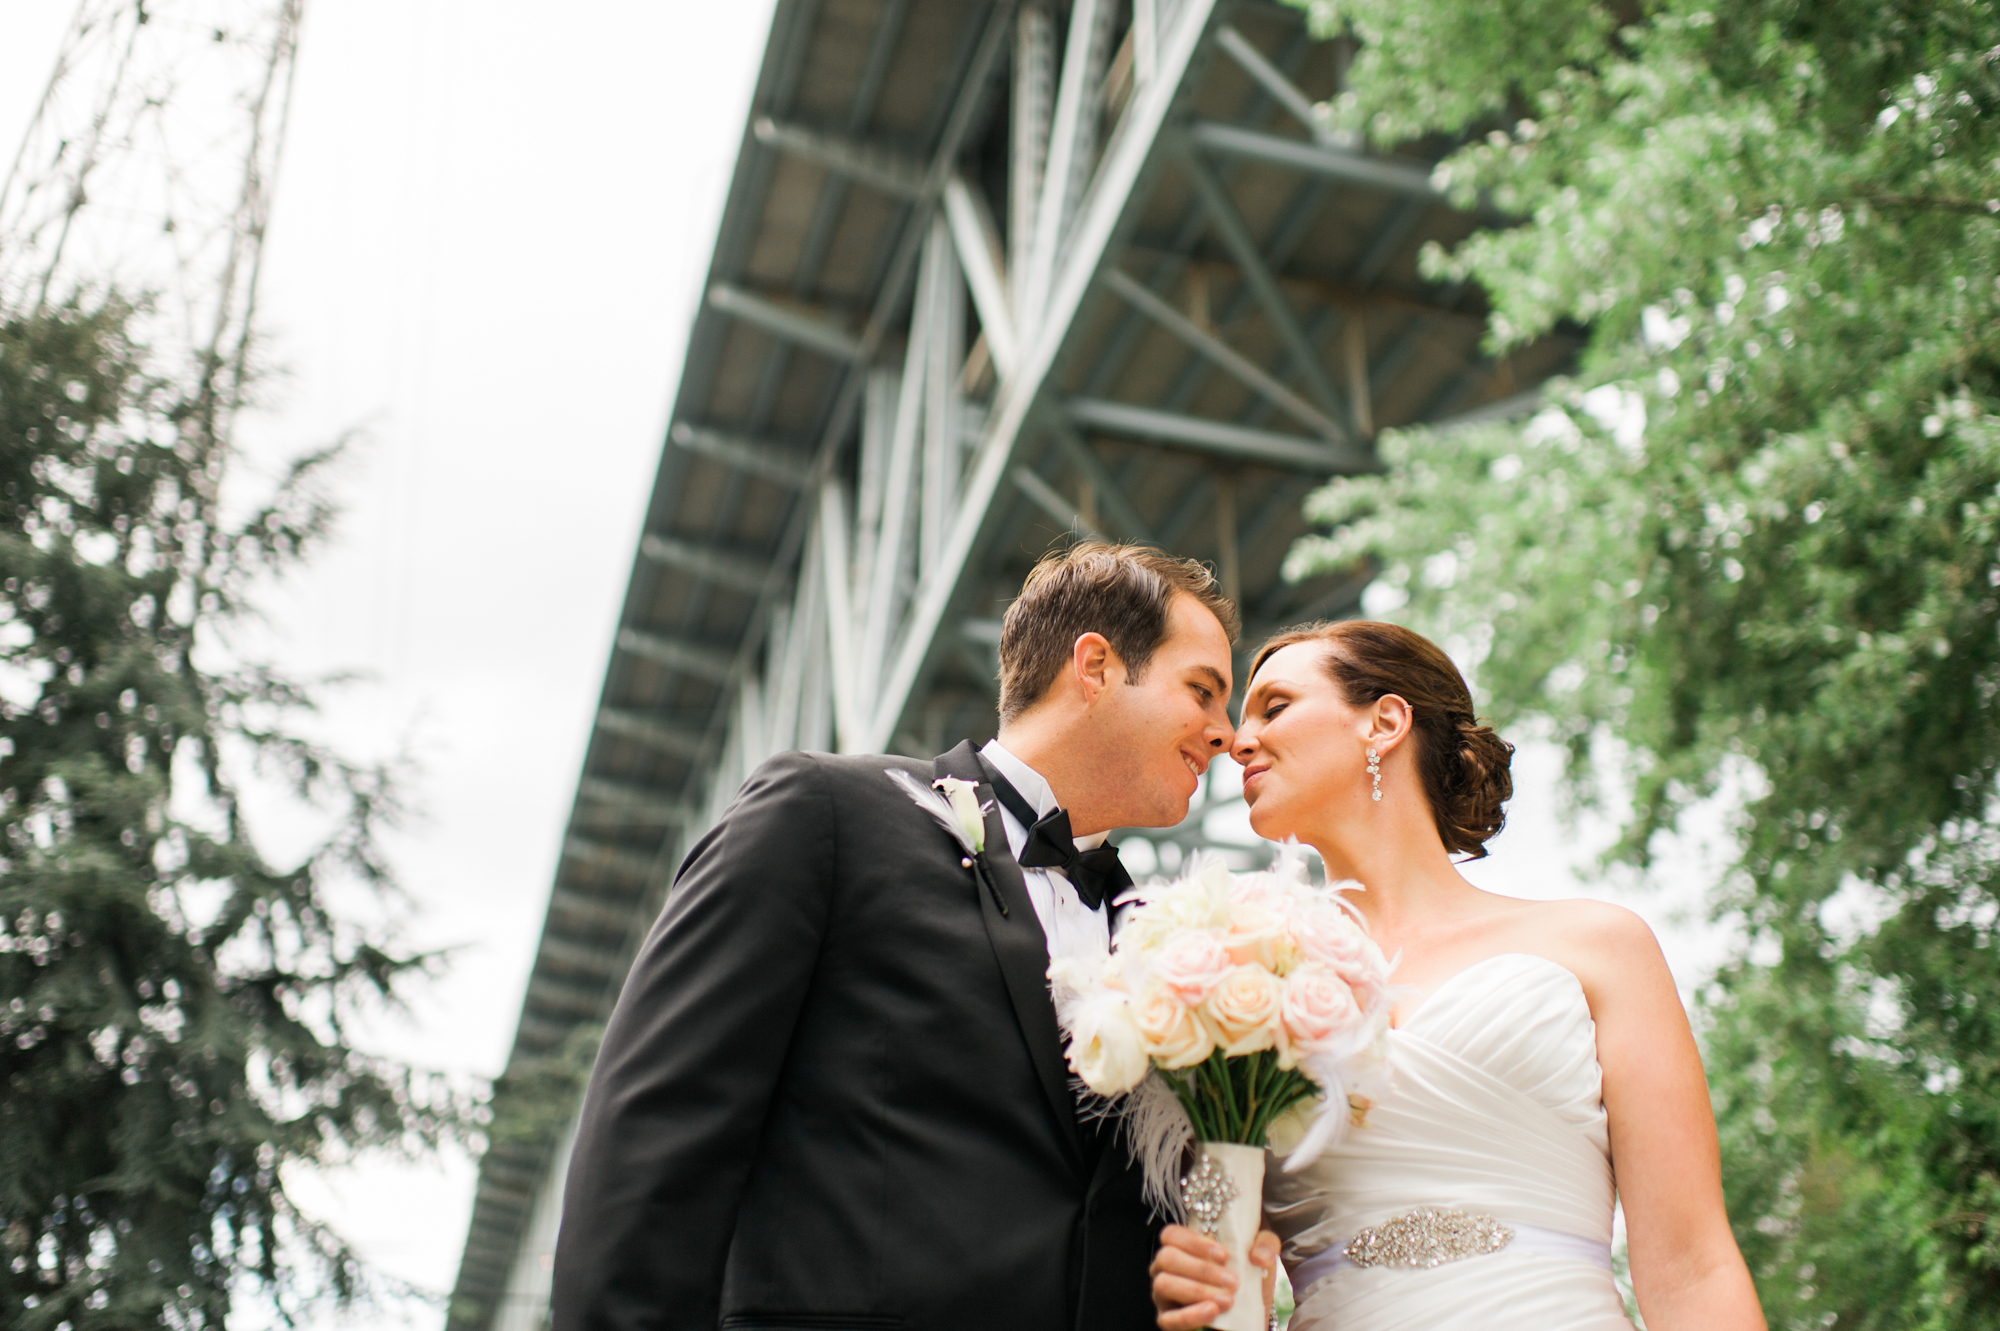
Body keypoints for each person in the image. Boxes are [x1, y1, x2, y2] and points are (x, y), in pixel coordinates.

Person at [553, 543, 1239, 1331]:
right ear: (1095, 666)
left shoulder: (1169, 945)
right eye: (1203, 691)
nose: (1224, 732)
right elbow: (654, 1135)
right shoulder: (826, 815)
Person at [1149, 621, 1766, 1331]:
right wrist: (1212, 1291)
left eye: (1275, 705)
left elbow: (1692, 1267)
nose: (1236, 739)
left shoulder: (1600, 948)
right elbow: (1233, 1282)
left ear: (1383, 721)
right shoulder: (1232, 989)